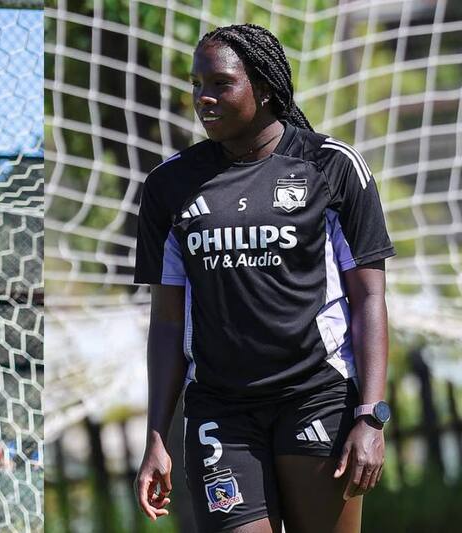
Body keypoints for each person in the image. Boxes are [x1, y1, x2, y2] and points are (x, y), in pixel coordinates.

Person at [133, 24, 394, 533]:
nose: (203, 98)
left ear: (265, 87)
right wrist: (156, 436)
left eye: (220, 84)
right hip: (220, 410)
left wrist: (369, 416)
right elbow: (166, 323)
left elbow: (370, 299)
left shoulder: (331, 166)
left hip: (316, 395)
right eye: (196, 85)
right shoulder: (169, 185)